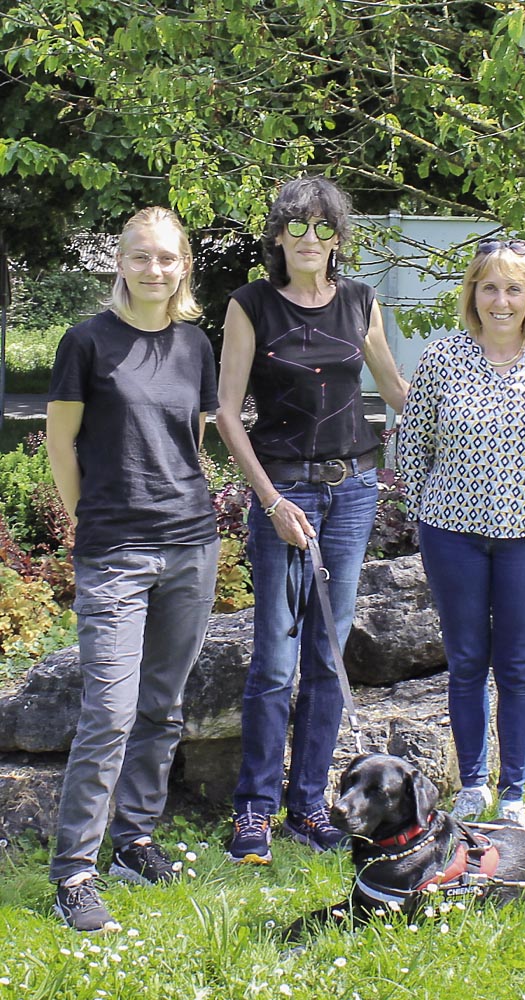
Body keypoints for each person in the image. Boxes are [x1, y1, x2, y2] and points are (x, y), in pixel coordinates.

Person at [216, 176, 408, 863]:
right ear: (276, 237)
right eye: (296, 227)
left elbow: (395, 390)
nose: (309, 240)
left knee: (329, 653)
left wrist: (477, 405)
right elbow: (227, 415)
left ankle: (307, 808)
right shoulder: (251, 306)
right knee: (275, 657)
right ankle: (255, 812)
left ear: (338, 237)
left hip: (353, 490)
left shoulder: (360, 302)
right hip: (284, 495)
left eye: (323, 227)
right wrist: (270, 502)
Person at [46, 207, 220, 931]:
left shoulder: (194, 345)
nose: (154, 270)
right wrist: (92, 520)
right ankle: (73, 873)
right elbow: (61, 443)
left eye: (167, 258)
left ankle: (135, 839)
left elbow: (193, 442)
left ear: (184, 266)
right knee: (110, 712)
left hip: (191, 543)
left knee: (161, 707)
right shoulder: (85, 342)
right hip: (115, 550)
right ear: (120, 262)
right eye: (141, 257)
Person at [398, 239, 525, 826]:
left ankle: (516, 791)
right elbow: (412, 445)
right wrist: (431, 508)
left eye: (514, 288)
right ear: (473, 294)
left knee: (520, 664)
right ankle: (473, 781)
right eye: (490, 287)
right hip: (452, 534)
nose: (501, 300)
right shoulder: (442, 356)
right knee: (468, 659)